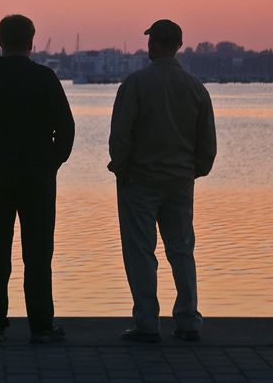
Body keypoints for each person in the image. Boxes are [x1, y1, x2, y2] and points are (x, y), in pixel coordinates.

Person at [0, 14, 75, 344]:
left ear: (0, 41)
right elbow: (65, 130)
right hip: (38, 178)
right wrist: (51, 163)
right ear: (31, 41)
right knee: (38, 256)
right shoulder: (45, 79)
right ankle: (40, 326)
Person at [108, 19, 217, 343]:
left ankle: (146, 323)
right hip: (180, 181)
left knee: (141, 252)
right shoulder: (196, 87)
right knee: (181, 250)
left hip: (139, 181)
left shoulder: (136, 83)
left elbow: (120, 134)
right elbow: (207, 143)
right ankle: (188, 320)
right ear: (179, 46)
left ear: (152, 45)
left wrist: (121, 169)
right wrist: (194, 171)